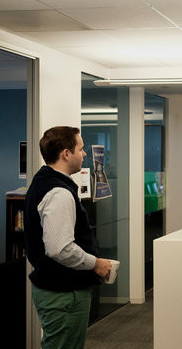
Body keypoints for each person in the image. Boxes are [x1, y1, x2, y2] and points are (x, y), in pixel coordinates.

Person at [23, 126, 112, 349]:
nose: (84, 154)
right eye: (80, 149)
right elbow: (59, 249)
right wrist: (96, 263)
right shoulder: (59, 193)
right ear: (66, 153)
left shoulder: (44, 181)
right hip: (64, 294)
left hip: (57, 290)